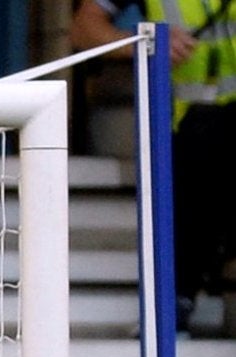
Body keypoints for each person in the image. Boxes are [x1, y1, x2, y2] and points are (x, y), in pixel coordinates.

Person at [72, 0, 236, 331]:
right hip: (185, 123)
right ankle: (179, 300)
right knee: (191, 200)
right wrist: (145, 43)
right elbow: (84, 29)